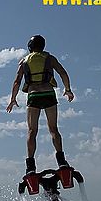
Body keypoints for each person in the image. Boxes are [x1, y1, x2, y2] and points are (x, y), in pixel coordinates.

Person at [6, 35, 75, 174]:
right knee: (53, 129)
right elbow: (63, 72)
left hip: (34, 95)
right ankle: (61, 161)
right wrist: (67, 90)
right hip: (48, 94)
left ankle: (30, 166)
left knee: (32, 131)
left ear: (30, 46)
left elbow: (17, 81)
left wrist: (13, 99)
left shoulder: (24, 61)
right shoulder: (50, 58)